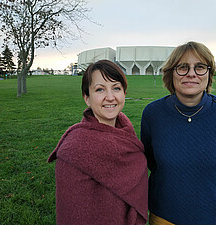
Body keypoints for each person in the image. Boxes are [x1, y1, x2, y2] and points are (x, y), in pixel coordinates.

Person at [141, 41, 216, 225]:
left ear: (209, 73)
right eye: (182, 67)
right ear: (171, 73)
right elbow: (152, 161)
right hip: (165, 216)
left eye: (199, 67)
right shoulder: (153, 114)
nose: (191, 73)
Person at [48, 60, 148, 225]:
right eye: (100, 89)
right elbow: (71, 215)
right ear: (87, 98)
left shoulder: (127, 136)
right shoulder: (74, 150)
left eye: (116, 88)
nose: (110, 97)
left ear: (124, 93)